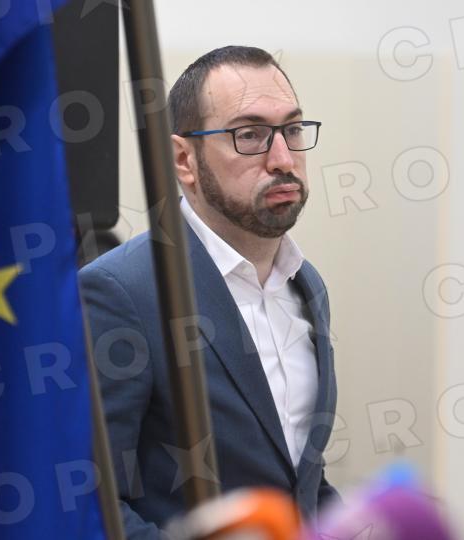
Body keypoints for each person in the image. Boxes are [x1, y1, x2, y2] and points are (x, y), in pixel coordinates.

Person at [79, 45, 339, 539]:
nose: (283, 159)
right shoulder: (120, 292)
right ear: (184, 159)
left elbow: (301, 481)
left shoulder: (307, 285)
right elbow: (89, 501)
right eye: (250, 135)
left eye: (292, 130)